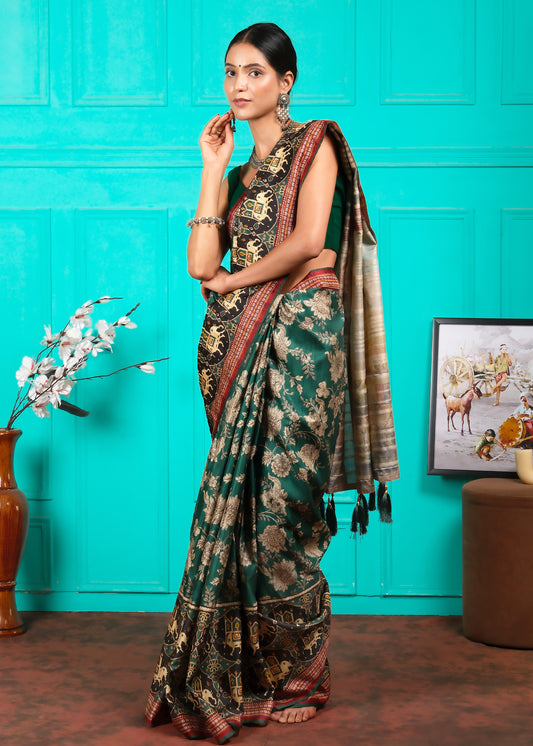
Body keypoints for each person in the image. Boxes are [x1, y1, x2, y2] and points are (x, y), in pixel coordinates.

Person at [145, 23, 399, 743]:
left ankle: (307, 670)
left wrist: (236, 278)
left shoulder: (317, 142)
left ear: (286, 82)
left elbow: (309, 242)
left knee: (283, 509)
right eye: (230, 73)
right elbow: (199, 263)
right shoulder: (235, 176)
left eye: (254, 72)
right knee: (244, 516)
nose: (239, 86)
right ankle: (257, 668)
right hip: (230, 355)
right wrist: (208, 166)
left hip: (298, 345)